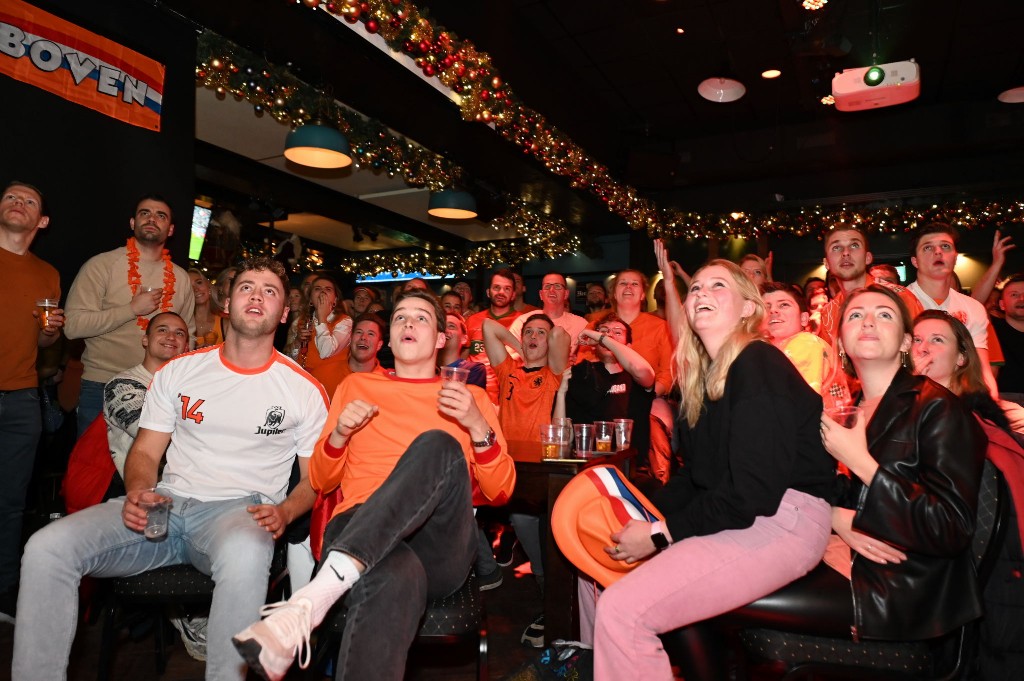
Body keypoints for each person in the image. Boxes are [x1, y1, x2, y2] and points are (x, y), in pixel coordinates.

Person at [13, 257, 329, 681]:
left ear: (284, 313)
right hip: (166, 504)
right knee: (46, 548)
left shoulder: (303, 389)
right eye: (246, 287)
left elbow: (314, 480)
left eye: (269, 291)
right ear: (226, 304)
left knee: (248, 551)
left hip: (239, 514)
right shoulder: (181, 371)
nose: (257, 296)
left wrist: (286, 513)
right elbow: (144, 453)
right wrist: (141, 490)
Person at [232, 289, 516, 681]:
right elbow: (320, 480)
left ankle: (312, 600)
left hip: (437, 545)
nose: (408, 324)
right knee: (392, 575)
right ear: (391, 335)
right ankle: (321, 596)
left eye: (421, 317)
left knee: (438, 444)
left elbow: (501, 490)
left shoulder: (471, 398)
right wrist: (340, 435)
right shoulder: (355, 388)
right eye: (400, 317)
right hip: (360, 528)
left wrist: (478, 426)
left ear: (439, 338)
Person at [589, 259, 835, 680]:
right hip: (746, 513)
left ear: (747, 309)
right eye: (696, 288)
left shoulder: (759, 363)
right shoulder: (702, 380)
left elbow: (752, 493)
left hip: (783, 519)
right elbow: (696, 478)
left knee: (623, 610)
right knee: (594, 566)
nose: (700, 293)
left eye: (718, 286)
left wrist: (657, 534)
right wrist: (637, 512)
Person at [64, 193, 196, 435]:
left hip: (159, 390)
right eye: (144, 213)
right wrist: (131, 310)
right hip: (103, 385)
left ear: (171, 229)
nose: (152, 219)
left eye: (161, 215)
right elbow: (73, 326)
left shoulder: (181, 278)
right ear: (133, 223)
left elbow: (190, 336)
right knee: (96, 471)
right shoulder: (101, 265)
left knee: (148, 471)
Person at [0, 181, 62, 623]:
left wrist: (52, 330)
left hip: (22, 398)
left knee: (11, 503)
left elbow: (44, 341)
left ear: (41, 221)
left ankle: (3, 591)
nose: (18, 203)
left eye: (29, 201)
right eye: (10, 197)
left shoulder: (48, 274)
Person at [906, 222, 1000, 398]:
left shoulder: (973, 308)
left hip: (960, 400)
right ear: (915, 261)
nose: (938, 252)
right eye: (928, 248)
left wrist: (990, 407)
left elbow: (982, 371)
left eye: (945, 246)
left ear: (955, 257)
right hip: (911, 400)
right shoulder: (898, 303)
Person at [104, 312, 190, 481]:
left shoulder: (192, 386)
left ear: (186, 346)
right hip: (142, 488)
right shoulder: (122, 385)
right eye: (162, 330)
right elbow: (149, 433)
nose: (171, 337)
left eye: (179, 333)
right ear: (145, 340)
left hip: (190, 485)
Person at [815, 223, 922, 348]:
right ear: (827, 262)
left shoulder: (899, 298)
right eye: (836, 247)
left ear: (867, 258)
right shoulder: (828, 313)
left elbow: (921, 350)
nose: (845, 253)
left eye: (854, 245)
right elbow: (829, 363)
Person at [762, 282, 833, 392]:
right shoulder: (768, 351)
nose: (772, 310)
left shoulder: (806, 343)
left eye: (783, 305)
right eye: (766, 307)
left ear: (804, 318)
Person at [466, 268, 522, 403]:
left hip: (510, 397)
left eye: (507, 289)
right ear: (488, 292)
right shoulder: (472, 321)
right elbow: (463, 357)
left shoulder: (523, 323)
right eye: (496, 287)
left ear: (513, 294)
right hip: (475, 395)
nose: (501, 292)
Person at [508, 272, 589, 362]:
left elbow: (590, 358)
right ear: (541, 294)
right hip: (530, 374)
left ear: (566, 294)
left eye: (557, 286)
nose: (551, 290)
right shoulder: (523, 321)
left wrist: (577, 361)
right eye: (547, 286)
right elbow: (508, 356)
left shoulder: (580, 324)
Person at [301, 275, 353, 395]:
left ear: (335, 299)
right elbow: (292, 356)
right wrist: (297, 342)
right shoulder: (302, 321)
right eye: (317, 288)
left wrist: (322, 318)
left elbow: (326, 352)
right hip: (305, 386)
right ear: (310, 298)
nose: (323, 291)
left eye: (328, 289)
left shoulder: (345, 321)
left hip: (331, 387)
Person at [992, 273, 1024, 397]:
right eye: (1014, 295)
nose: (1021, 299)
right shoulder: (992, 329)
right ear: (1002, 304)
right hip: (1004, 402)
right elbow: (974, 303)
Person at [440, 311, 486, 389]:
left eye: (451, 326)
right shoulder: (426, 367)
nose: (445, 330)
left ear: (464, 339)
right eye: (441, 327)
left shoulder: (472, 369)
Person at [189, 268, 224, 348]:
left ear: (208, 286)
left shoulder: (225, 323)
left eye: (199, 282)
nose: (196, 289)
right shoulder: (182, 324)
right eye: (190, 287)